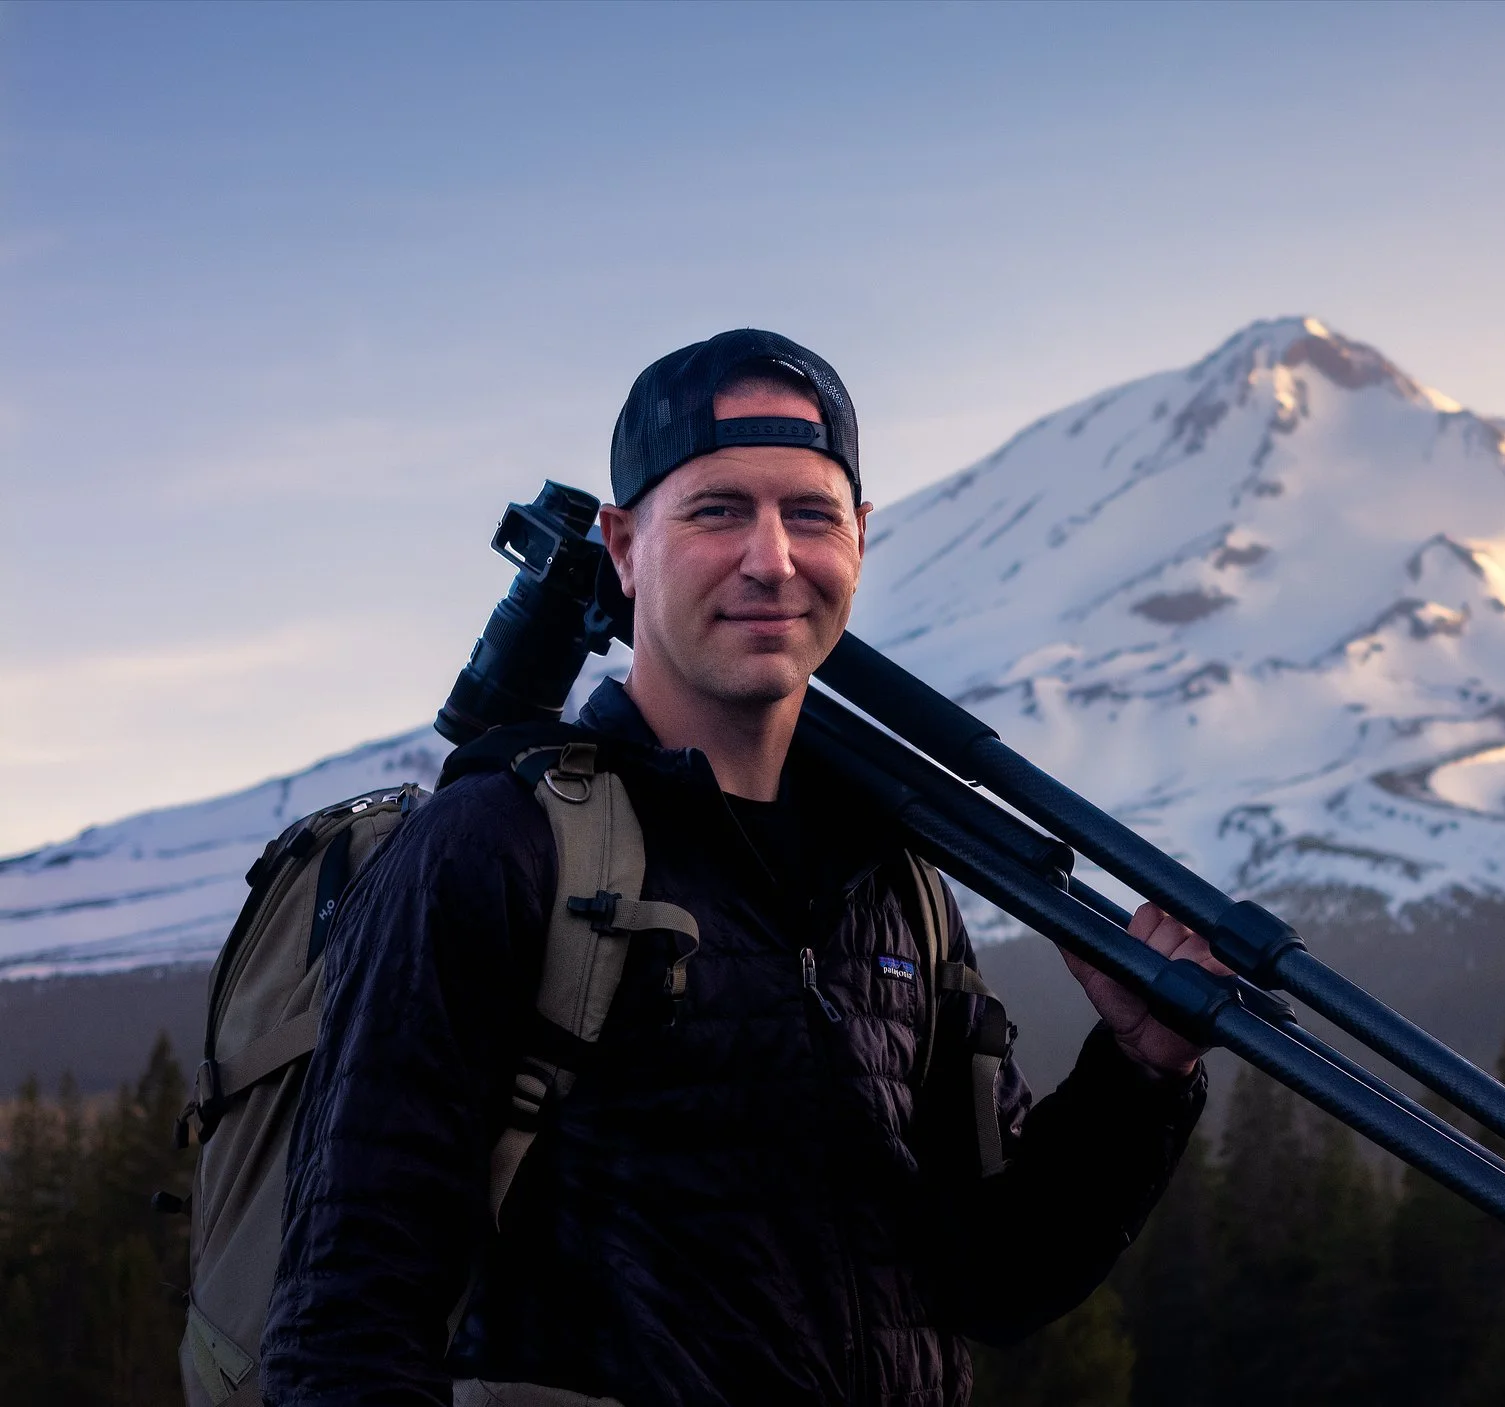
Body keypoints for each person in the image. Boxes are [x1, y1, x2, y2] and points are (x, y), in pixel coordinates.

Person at [261, 329, 1219, 1406]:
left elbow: (992, 1281)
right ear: (626, 546)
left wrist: (1139, 1075)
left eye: (810, 514)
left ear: (860, 539)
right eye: (718, 510)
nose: (772, 559)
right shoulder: (500, 846)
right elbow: (345, 1328)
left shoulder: (895, 882)